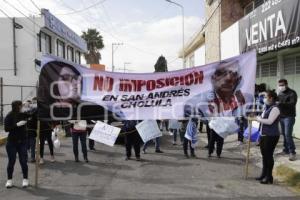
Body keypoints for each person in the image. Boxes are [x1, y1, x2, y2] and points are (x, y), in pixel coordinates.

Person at [38, 60, 122, 122]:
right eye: (67, 78)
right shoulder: (46, 109)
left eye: (77, 78)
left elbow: (115, 112)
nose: (76, 83)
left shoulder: (91, 108)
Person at [184, 60, 253, 118]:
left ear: (239, 80)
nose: (228, 78)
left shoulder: (247, 100)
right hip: (213, 129)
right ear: (212, 78)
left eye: (233, 73)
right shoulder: (195, 104)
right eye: (221, 73)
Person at [252, 90, 280, 184]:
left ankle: (269, 177)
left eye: (265, 97)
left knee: (268, 156)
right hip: (263, 135)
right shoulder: (267, 107)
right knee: (264, 156)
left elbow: (269, 121)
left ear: (271, 98)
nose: (264, 99)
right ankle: (263, 175)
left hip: (271, 135)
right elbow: (263, 120)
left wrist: (259, 119)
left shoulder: (275, 108)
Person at [4, 101, 30, 188]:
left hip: (22, 141)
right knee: (11, 161)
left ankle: (25, 179)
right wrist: (16, 125)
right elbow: (6, 129)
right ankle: (9, 180)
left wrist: (29, 106)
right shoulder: (9, 115)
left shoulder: (23, 114)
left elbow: (32, 114)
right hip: (11, 142)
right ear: (17, 106)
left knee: (23, 161)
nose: (22, 107)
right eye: (21, 106)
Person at [277, 79, 297, 161]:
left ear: (286, 84)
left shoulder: (292, 93)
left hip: (289, 117)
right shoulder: (280, 93)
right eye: (279, 85)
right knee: (284, 134)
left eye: (282, 85)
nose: (281, 87)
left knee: (288, 134)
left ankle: (292, 152)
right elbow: (277, 103)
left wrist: (280, 104)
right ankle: (286, 150)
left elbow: (292, 104)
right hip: (281, 116)